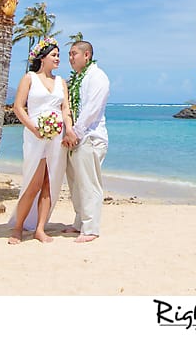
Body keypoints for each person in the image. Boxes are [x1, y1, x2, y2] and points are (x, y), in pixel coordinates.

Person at [7, 36, 78, 244]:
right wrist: (34, 128)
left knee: (50, 182)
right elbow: (18, 107)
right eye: (54, 55)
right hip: (35, 136)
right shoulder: (29, 78)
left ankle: (40, 228)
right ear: (43, 57)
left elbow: (65, 108)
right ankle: (18, 228)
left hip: (56, 136)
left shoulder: (61, 82)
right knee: (34, 182)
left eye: (58, 55)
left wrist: (69, 129)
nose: (58, 59)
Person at [63, 40, 109, 243]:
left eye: (74, 54)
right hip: (76, 137)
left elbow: (92, 109)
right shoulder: (79, 78)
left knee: (89, 183)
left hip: (91, 137)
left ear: (87, 55)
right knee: (75, 183)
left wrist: (76, 132)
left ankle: (91, 228)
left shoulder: (98, 77)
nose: (70, 58)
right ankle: (79, 221)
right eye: (70, 54)